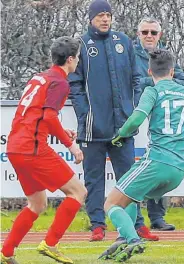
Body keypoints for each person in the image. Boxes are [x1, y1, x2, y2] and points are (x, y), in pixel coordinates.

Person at [98, 49, 184, 262]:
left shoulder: (152, 91)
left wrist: (120, 136)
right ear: (173, 71)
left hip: (156, 161)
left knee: (111, 204)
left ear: (150, 71)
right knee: (130, 197)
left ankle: (133, 241)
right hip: (178, 170)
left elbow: (135, 119)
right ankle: (124, 238)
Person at [1, 36, 87, 264]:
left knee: (37, 204)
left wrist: (61, 130)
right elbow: (47, 116)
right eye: (77, 58)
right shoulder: (60, 82)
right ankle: (50, 243)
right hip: (32, 147)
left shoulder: (39, 78)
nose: (78, 62)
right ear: (70, 59)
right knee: (78, 192)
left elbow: (36, 116)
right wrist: (71, 145)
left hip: (16, 147)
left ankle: (6, 252)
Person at [68, 0, 141, 242]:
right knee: (94, 179)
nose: (105, 19)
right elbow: (74, 84)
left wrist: (135, 109)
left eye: (108, 15)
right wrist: (84, 113)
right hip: (93, 128)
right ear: (91, 19)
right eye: (100, 15)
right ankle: (97, 225)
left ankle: (136, 225)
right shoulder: (81, 44)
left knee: (129, 177)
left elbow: (137, 77)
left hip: (123, 125)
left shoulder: (124, 41)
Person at [132, 17, 184, 239]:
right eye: (144, 31)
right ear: (138, 34)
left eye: (153, 32)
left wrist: (152, 81)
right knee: (134, 169)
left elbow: (183, 82)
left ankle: (157, 217)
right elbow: (130, 83)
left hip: (160, 117)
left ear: (160, 35)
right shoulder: (128, 55)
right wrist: (158, 81)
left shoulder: (168, 57)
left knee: (158, 166)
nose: (149, 36)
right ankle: (133, 217)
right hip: (135, 114)